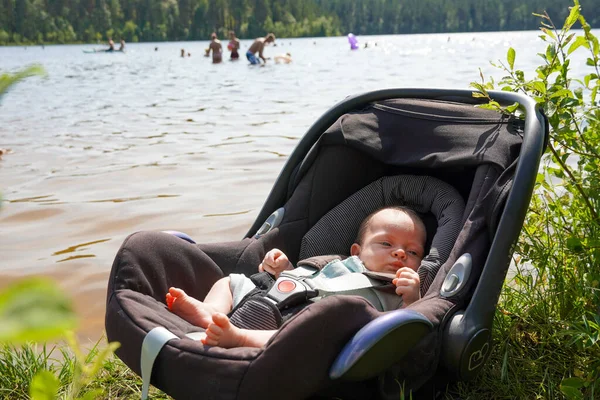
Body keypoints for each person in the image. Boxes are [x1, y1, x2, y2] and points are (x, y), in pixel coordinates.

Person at [166, 206, 426, 349]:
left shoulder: (394, 292)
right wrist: (282, 266)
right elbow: (305, 279)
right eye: (386, 244)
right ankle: (210, 312)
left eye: (412, 251)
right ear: (357, 251)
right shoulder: (340, 263)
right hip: (270, 295)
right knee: (230, 282)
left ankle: (240, 338)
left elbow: (406, 327)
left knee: (299, 337)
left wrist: (413, 297)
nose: (400, 253)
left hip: (303, 324)